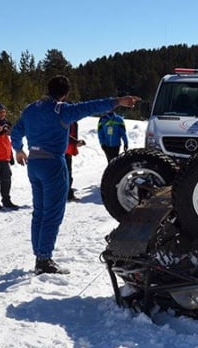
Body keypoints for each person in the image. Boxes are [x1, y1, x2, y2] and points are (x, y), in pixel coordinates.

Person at [11, 75, 141, 275]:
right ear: (65, 94)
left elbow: (16, 131)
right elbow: (90, 107)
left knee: (39, 211)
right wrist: (118, 101)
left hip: (34, 163)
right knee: (53, 213)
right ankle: (44, 259)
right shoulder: (61, 110)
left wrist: (18, 149)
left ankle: (39, 254)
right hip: (52, 163)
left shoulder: (30, 109)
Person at [65, 121, 86, 201]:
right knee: (66, 174)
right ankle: (68, 195)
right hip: (61, 151)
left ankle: (67, 193)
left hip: (68, 151)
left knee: (67, 174)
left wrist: (76, 143)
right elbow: (63, 135)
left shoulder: (75, 123)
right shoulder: (65, 120)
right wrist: (76, 142)